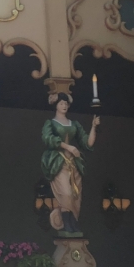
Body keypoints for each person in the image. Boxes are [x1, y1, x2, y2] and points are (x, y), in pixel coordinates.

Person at [40, 93, 99, 235]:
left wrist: (93, 127)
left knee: (75, 195)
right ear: (56, 106)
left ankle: (73, 223)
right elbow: (47, 138)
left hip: (74, 164)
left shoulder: (74, 124)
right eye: (61, 103)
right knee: (66, 193)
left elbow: (87, 142)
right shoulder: (51, 123)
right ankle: (66, 223)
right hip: (59, 162)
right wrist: (68, 147)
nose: (64, 106)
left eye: (66, 104)